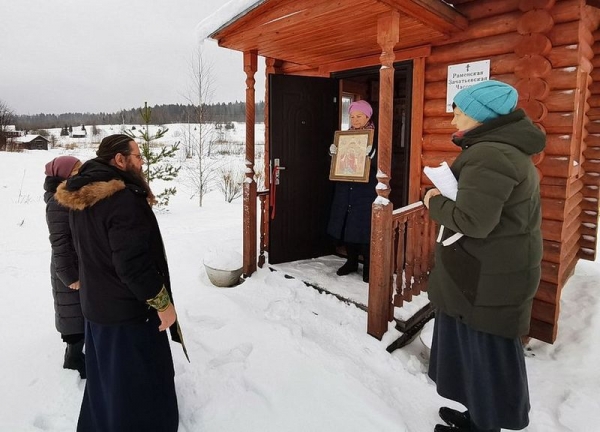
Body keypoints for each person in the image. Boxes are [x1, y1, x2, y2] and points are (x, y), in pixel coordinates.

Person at [423, 80, 546, 432]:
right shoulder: (499, 149)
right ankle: (476, 418)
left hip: (487, 280)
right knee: (476, 354)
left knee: (486, 356)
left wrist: (435, 201)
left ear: (480, 115)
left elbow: (472, 220)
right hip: (487, 273)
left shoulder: (492, 154)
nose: (452, 121)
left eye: (458, 113)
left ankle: (484, 424)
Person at [55, 134, 184, 432]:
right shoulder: (123, 199)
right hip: (127, 312)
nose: (142, 162)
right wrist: (163, 305)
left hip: (96, 306)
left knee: (107, 380)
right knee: (139, 381)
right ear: (119, 159)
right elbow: (133, 265)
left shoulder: (80, 194)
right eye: (137, 156)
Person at [43, 155, 86, 379]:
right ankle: (73, 360)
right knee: (73, 318)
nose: (81, 172)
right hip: (68, 268)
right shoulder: (57, 203)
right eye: (77, 170)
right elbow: (59, 243)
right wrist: (69, 277)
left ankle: (78, 353)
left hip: (79, 264)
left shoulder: (71, 195)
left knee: (80, 314)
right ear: (64, 174)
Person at [327, 100, 377, 283]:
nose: (355, 120)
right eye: (353, 116)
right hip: (345, 189)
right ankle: (352, 262)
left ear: (367, 116)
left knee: (363, 229)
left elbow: (385, 166)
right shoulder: (344, 138)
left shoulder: (375, 138)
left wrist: (374, 156)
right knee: (347, 227)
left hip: (365, 191)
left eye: (359, 116)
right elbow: (339, 165)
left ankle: (368, 267)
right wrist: (334, 155)